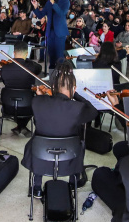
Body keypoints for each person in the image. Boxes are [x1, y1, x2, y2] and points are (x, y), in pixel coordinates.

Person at [23, 62, 97, 197]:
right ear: (73, 88)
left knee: (39, 137)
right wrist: (75, 95)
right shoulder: (78, 108)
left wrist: (41, 97)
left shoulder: (37, 102)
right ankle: (72, 182)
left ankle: (37, 187)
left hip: (41, 158)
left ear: (53, 86)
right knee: (80, 142)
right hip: (68, 158)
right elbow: (93, 111)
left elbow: (38, 120)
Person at [0, 42, 42, 136]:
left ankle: (20, 126)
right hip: (27, 107)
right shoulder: (32, 67)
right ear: (27, 53)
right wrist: (28, 60)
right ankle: (22, 126)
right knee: (35, 99)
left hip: (8, 106)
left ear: (13, 53)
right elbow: (40, 68)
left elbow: (4, 82)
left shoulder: (4, 68)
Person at [31, 0, 70, 71]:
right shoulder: (49, 2)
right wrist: (35, 7)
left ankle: (60, 76)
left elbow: (61, 13)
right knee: (51, 56)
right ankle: (52, 76)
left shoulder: (65, 1)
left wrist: (53, 3)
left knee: (59, 56)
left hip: (60, 33)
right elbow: (41, 15)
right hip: (50, 32)